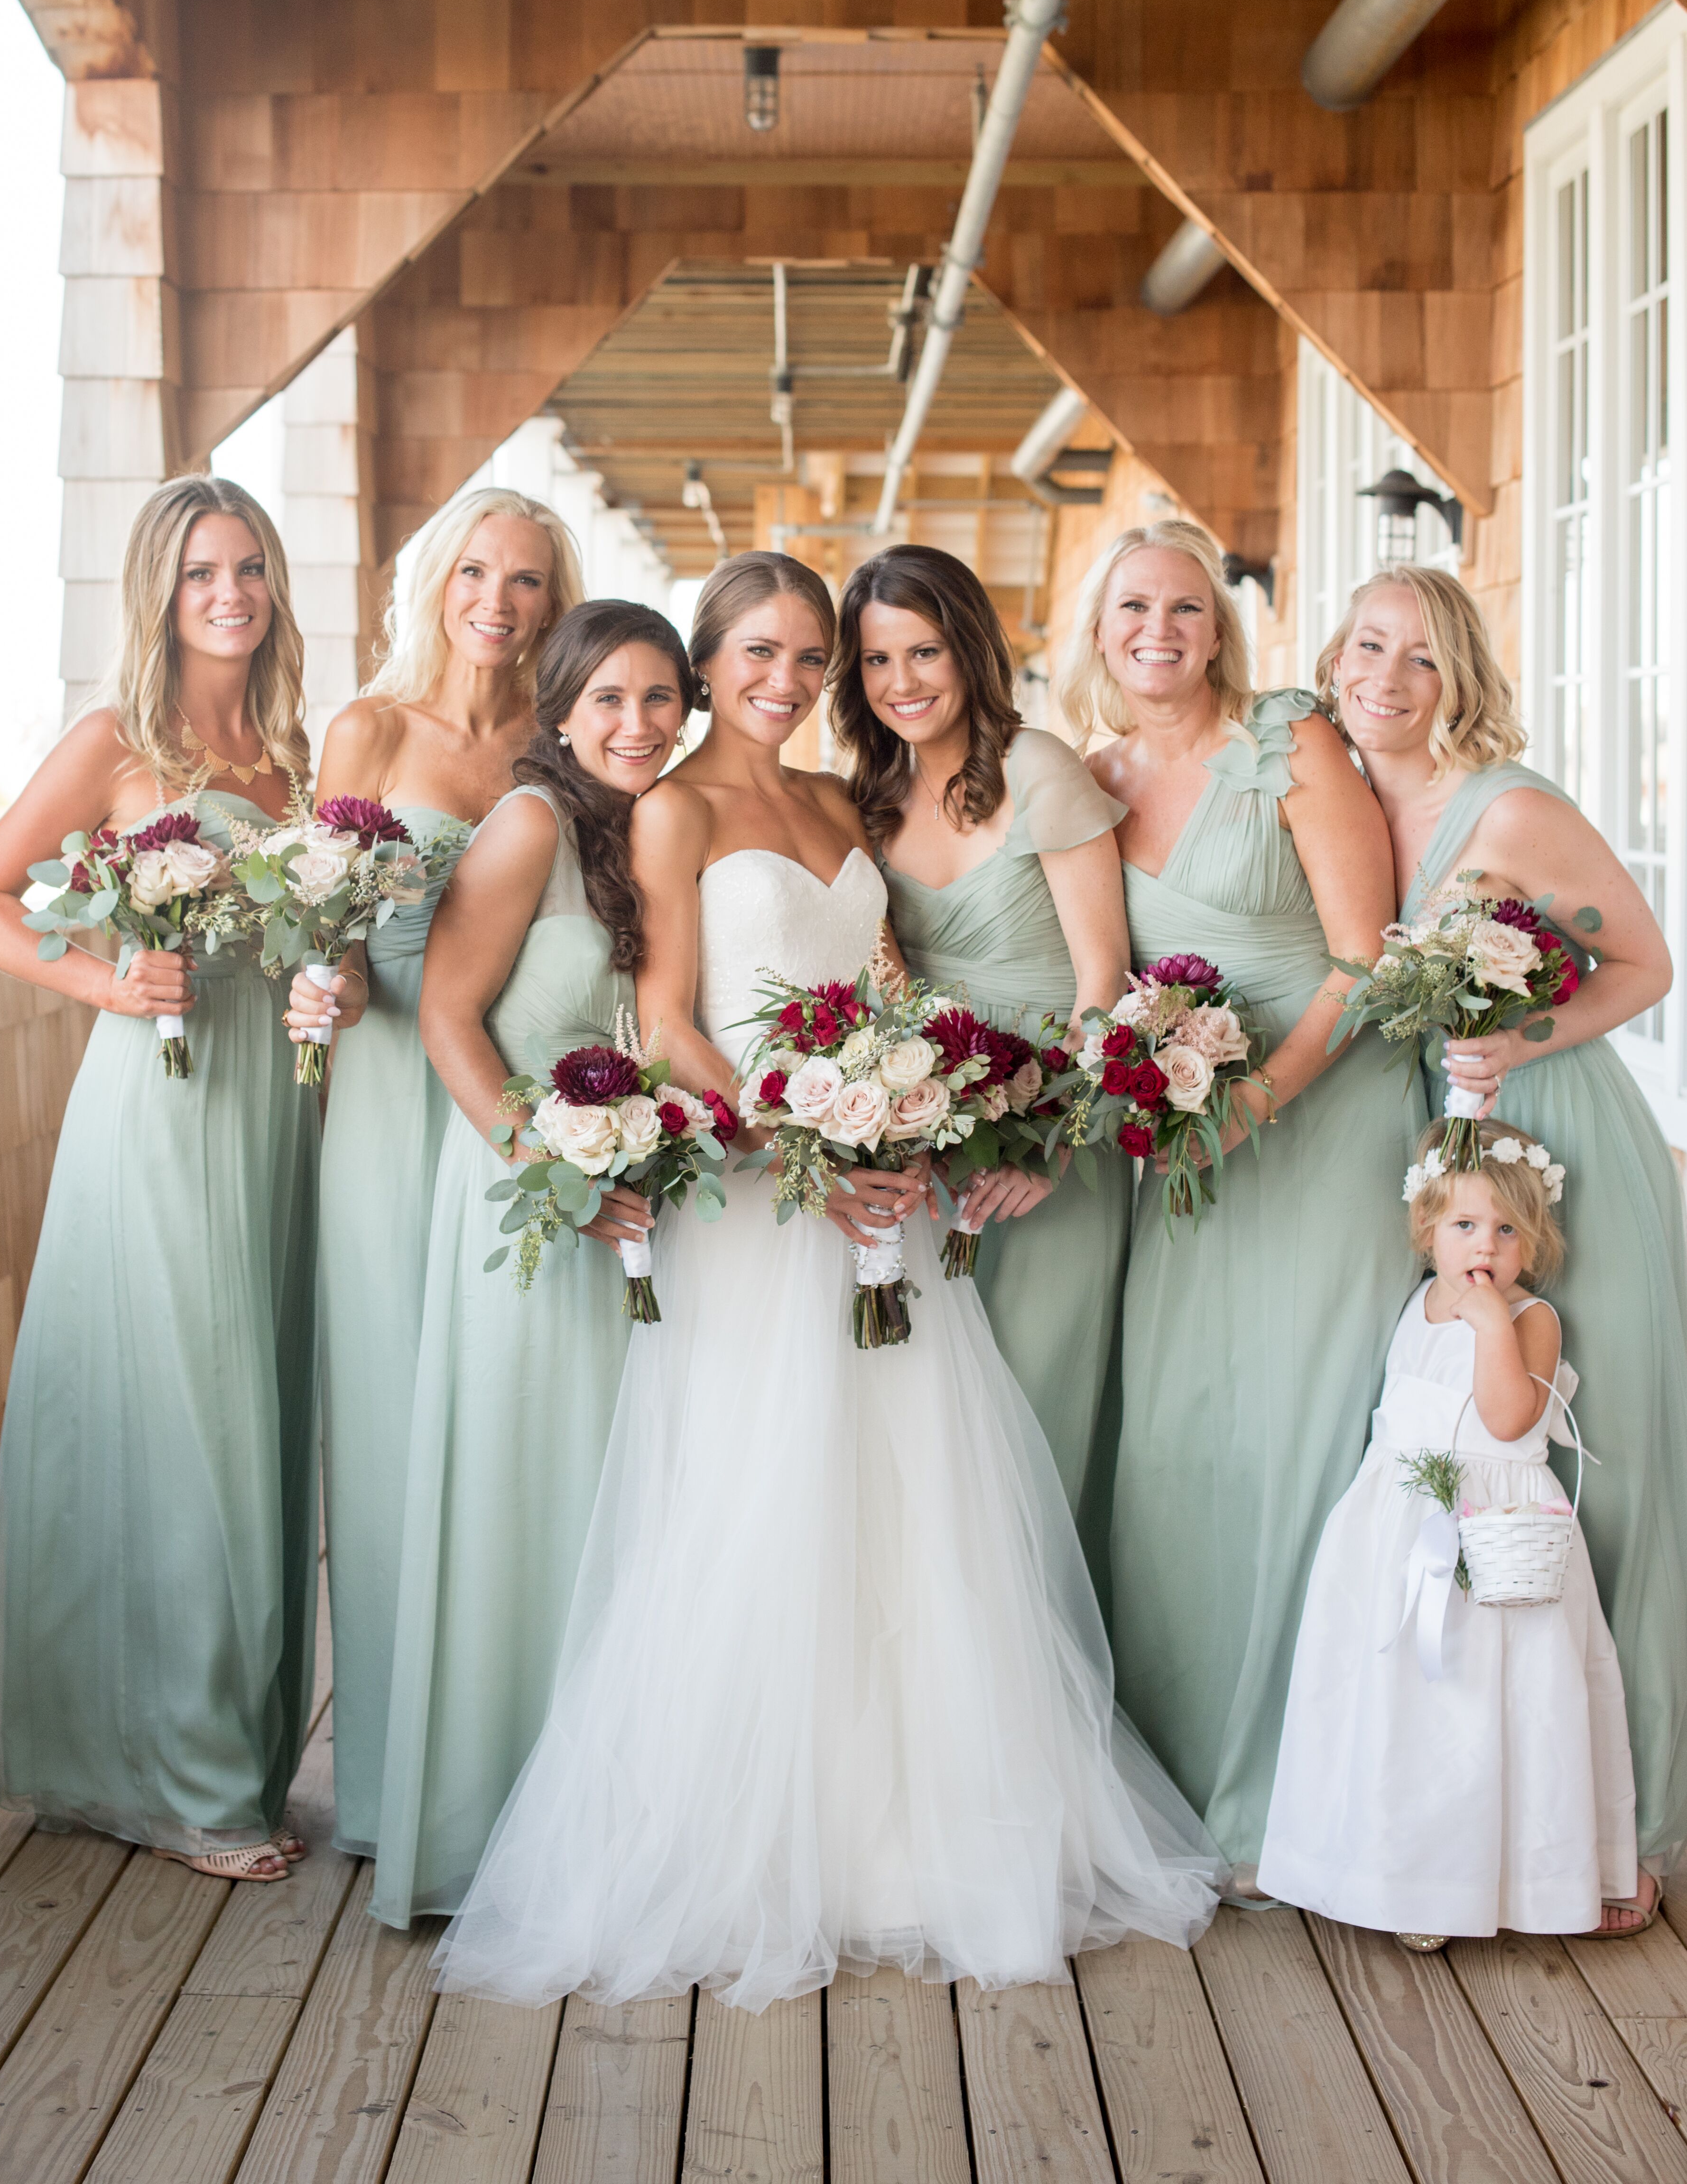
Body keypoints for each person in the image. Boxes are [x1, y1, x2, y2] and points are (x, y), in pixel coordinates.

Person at [433, 550, 1224, 2013]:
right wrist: (803, 1136)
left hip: (879, 1189)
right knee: (758, 1497)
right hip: (760, 1194)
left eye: (814, 659)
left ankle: (902, 1835)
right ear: (708, 660)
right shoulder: (673, 808)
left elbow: (883, 986)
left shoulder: (833, 803)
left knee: (907, 1496)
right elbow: (668, 1019)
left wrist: (899, 1113)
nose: (789, 682)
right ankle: (741, 1844)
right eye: (760, 655)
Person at [0, 480, 318, 1882]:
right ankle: (187, 1779)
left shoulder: (285, 754)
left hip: (276, 1115)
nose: (228, 593)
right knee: (188, 1425)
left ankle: (209, 1744)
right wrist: (103, 978)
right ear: (158, 595)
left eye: (249, 568)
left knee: (253, 1420)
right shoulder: (119, 742)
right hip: (157, 1107)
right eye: (199, 572)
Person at [1320, 562, 1687, 1910]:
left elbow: (1646, 964)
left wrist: (1511, 1034)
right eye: (1365, 646)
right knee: (1481, 1454)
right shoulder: (1348, 804)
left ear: (1457, 677)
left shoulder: (1511, 810)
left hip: (1563, 1136)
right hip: (1450, 1146)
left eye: (1418, 658)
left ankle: (1628, 1833)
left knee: (1606, 1464)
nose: (1383, 677)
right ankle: (1493, 1809)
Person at [1060, 519, 1419, 1884]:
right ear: (1099, 627)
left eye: (1186, 609)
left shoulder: (1291, 743)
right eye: (1134, 607)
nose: (1159, 630)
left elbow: (1360, 959)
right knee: (1178, 1443)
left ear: (1221, 629)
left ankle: (1309, 1788)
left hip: (1316, 1123)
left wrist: (1256, 1097)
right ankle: (1183, 1772)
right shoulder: (1089, 780)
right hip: (1182, 1148)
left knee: (1304, 1440)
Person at [369, 600, 691, 1926]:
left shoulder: (651, 831)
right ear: (559, 711)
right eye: (609, 699)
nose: (636, 723)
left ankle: (605, 1823)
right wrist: (553, 1175)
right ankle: (482, 1830)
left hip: (635, 1203)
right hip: (524, 1203)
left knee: (618, 1502)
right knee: (523, 1497)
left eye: (661, 698)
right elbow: (449, 1017)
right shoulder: (530, 826)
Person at [284, 485, 581, 1859]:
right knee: (397, 1417)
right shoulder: (370, 728)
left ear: (550, 599)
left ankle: (519, 1757)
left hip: (506, 1083)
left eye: (526, 579)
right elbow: (322, 922)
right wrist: (324, 984)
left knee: (506, 1410)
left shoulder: (564, 738)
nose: (499, 601)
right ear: (436, 582)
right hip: (384, 1098)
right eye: (476, 570)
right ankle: (402, 1783)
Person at [1258, 1125, 1639, 1943]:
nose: (1485, 1247)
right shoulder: (1415, 1303)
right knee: (1397, 1712)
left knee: (1491, 1714)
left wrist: (1493, 1321)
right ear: (1426, 1229)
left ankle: (1494, 1883)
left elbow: (1507, 1420)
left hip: (1498, 1540)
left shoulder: (1531, 1318)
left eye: (1508, 1231)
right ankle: (1391, 1870)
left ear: (1533, 1247)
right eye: (1465, 1226)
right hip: (1396, 1531)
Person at [830, 544, 1132, 1570]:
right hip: (930, 1138)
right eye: (875, 660)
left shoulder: (1038, 768)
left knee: (1036, 1412)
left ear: (967, 648)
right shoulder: (863, 797)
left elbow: (1103, 977)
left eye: (923, 651)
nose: (902, 683)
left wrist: (1049, 1143)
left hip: (1049, 1146)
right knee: (929, 1425)